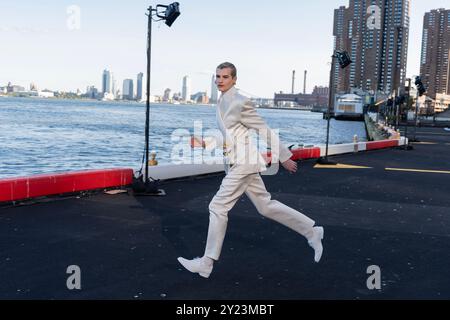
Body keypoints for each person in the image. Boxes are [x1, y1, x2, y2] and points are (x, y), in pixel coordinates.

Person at [177, 62, 324, 278]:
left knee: (217, 206)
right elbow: (230, 136)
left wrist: (283, 156)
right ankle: (312, 231)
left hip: (244, 163)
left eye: (225, 77)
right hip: (239, 162)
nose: (219, 80)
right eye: (217, 76)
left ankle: (206, 262)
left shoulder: (240, 101)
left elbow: (263, 130)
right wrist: (204, 142)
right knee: (265, 206)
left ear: (234, 79)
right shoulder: (222, 100)